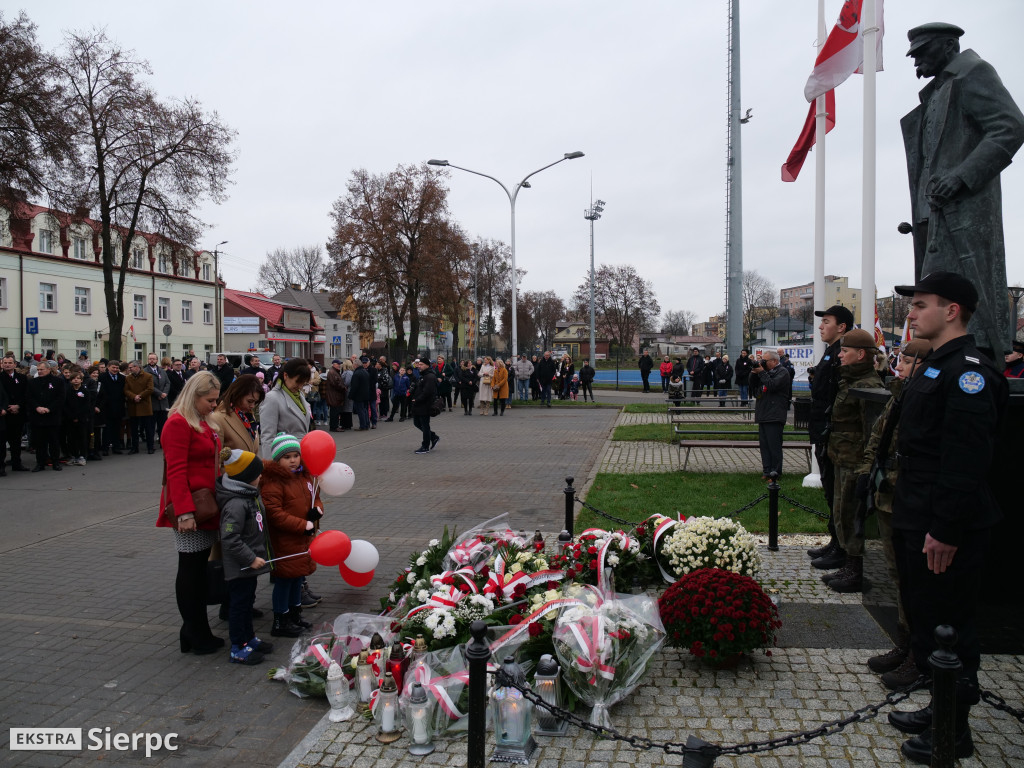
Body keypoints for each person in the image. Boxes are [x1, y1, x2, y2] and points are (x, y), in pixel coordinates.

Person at [885, 272, 1006, 764]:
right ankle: (940, 707)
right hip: (917, 513)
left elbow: (966, 460)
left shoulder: (969, 371)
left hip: (944, 523)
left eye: (921, 304)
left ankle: (954, 731)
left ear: (952, 310)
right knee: (927, 620)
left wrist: (946, 530)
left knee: (950, 627)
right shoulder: (937, 365)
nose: (911, 313)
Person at [900, 23, 1024, 361]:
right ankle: (943, 355)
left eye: (923, 53)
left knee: (968, 290)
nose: (916, 63)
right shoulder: (935, 92)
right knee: (936, 290)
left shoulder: (974, 72)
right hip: (931, 213)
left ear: (949, 46)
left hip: (964, 210)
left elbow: (1010, 126)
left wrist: (961, 177)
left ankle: (981, 357)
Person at [857, 338, 932, 690]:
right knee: (896, 571)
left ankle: (918, 653)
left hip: (907, 496)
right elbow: (880, 436)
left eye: (905, 360)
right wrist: (867, 472)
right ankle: (905, 643)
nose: (897, 365)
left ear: (922, 363)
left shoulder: (922, 395)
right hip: (888, 493)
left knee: (911, 578)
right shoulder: (901, 393)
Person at [158, 371, 224, 656]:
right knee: (191, 569)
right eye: (210, 400)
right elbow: (175, 471)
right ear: (194, 395)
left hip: (205, 504)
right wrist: (184, 512)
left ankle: (194, 631)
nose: (214, 405)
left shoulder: (200, 422)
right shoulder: (178, 423)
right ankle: (194, 632)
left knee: (197, 569)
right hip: (191, 507)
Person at [819, 329, 883, 594]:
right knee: (841, 512)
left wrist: (866, 468)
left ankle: (855, 569)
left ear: (860, 354)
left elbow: (872, 432)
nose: (841, 355)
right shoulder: (850, 381)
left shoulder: (868, 384)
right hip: (841, 456)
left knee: (852, 515)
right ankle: (847, 561)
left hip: (856, 462)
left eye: (845, 351)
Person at [806, 305, 856, 571]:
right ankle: (835, 541)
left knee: (836, 491)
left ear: (842, 327)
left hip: (833, 432)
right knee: (830, 490)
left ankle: (841, 546)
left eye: (826, 322)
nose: (821, 326)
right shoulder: (831, 353)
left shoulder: (841, 355)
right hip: (822, 430)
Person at [261, 433, 321, 638]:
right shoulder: (273, 482)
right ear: (277, 460)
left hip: (302, 538)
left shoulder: (304, 477)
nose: (293, 460)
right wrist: (302, 524)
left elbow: (316, 498)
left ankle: (295, 614)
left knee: (298, 578)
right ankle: (281, 619)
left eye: (296, 455)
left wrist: (317, 511)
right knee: (284, 580)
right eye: (287, 457)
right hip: (285, 540)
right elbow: (274, 514)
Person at [216, 447, 272, 665]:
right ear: (247, 478)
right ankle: (238, 647)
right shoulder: (236, 504)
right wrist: (250, 558)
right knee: (239, 607)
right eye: (258, 474)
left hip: (248, 567)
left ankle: (249, 638)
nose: (261, 476)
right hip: (240, 567)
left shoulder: (249, 496)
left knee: (248, 602)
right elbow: (230, 539)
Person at [259, 358, 313, 456]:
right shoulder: (272, 398)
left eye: (303, 383)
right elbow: (267, 438)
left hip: (301, 457)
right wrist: (271, 467)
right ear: (285, 376)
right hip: (283, 459)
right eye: (297, 382)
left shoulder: (299, 395)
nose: (300, 386)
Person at [752, 350, 791, 481]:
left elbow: (772, 386)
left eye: (766, 361)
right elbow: (754, 390)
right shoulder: (766, 373)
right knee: (764, 446)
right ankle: (767, 470)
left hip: (775, 414)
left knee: (774, 446)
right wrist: (754, 373)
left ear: (774, 361)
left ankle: (775, 472)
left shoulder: (782, 372)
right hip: (763, 413)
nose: (763, 363)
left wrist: (762, 372)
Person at [209, 374, 264, 456]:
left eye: (255, 402)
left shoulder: (248, 416)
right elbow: (216, 460)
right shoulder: (218, 418)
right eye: (249, 401)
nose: (252, 406)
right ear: (237, 395)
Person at [28, 358, 65, 471]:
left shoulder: (57, 382)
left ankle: (55, 462)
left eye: (42, 369)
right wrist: (37, 407)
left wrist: (49, 409)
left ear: (48, 369)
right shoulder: (32, 382)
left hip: (52, 416)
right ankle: (40, 463)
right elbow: (29, 397)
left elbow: (60, 398)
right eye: (38, 369)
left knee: (54, 441)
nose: (39, 371)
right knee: (40, 442)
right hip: (38, 416)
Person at [1, 354, 30, 472]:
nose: (7, 365)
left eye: (9, 363)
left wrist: (18, 406)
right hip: (3, 415)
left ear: (15, 364)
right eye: (5, 363)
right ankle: (1, 466)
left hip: (18, 414)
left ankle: (16, 463)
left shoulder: (22, 378)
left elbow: (26, 395)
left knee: (16, 441)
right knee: (2, 442)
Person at [124, 360, 155, 455]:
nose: (129, 369)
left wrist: (140, 396)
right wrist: (134, 397)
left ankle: (150, 447)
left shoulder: (148, 376)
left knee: (148, 428)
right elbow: (126, 390)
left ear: (137, 367)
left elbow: (150, 389)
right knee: (134, 428)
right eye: (129, 368)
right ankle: (134, 447)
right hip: (133, 405)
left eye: (131, 367)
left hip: (144, 405)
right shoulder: (128, 378)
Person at [97, 360, 126, 455]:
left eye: (117, 368)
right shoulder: (102, 377)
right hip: (107, 406)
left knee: (117, 428)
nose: (115, 369)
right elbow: (101, 392)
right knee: (107, 429)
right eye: (113, 367)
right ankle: (105, 448)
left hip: (118, 406)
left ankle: (116, 447)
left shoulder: (122, 378)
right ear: (108, 367)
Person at [64, 370, 93, 466]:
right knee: (71, 438)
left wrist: (78, 416)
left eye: (78, 378)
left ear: (81, 380)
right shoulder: (68, 391)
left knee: (82, 438)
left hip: (82, 419)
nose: (75, 380)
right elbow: (65, 405)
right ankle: (74, 455)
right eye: (73, 379)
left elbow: (86, 405)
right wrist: (72, 416)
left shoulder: (85, 391)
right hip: (70, 419)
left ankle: (82, 456)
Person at [411, 358, 439, 454]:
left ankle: (425, 446)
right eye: (418, 364)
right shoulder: (423, 375)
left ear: (427, 365)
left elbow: (427, 392)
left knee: (425, 425)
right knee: (416, 423)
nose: (419, 366)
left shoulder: (430, 376)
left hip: (425, 405)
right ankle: (433, 437)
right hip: (418, 404)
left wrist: (417, 399)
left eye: (421, 364)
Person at [146, 353, 171, 440]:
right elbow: (149, 386)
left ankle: (162, 441)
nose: (152, 360)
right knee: (151, 426)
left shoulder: (162, 371)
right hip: (153, 402)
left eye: (153, 359)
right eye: (150, 359)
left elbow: (167, 383)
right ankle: (150, 445)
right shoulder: (145, 371)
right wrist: (159, 394)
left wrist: (164, 393)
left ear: (157, 360)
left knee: (163, 425)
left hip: (163, 403)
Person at [349, 356, 372, 431]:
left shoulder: (356, 374)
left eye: (353, 364)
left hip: (359, 395)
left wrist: (351, 395)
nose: (353, 366)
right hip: (366, 394)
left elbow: (354, 386)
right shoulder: (365, 372)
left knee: (360, 411)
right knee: (365, 410)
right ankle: (366, 424)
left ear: (356, 365)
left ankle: (362, 425)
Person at [325, 359, 347, 432]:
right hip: (334, 396)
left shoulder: (334, 372)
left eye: (339, 364)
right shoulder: (332, 372)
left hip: (335, 395)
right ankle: (334, 426)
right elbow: (336, 384)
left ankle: (334, 426)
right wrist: (344, 388)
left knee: (335, 412)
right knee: (334, 412)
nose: (339, 365)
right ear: (333, 364)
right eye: (338, 364)